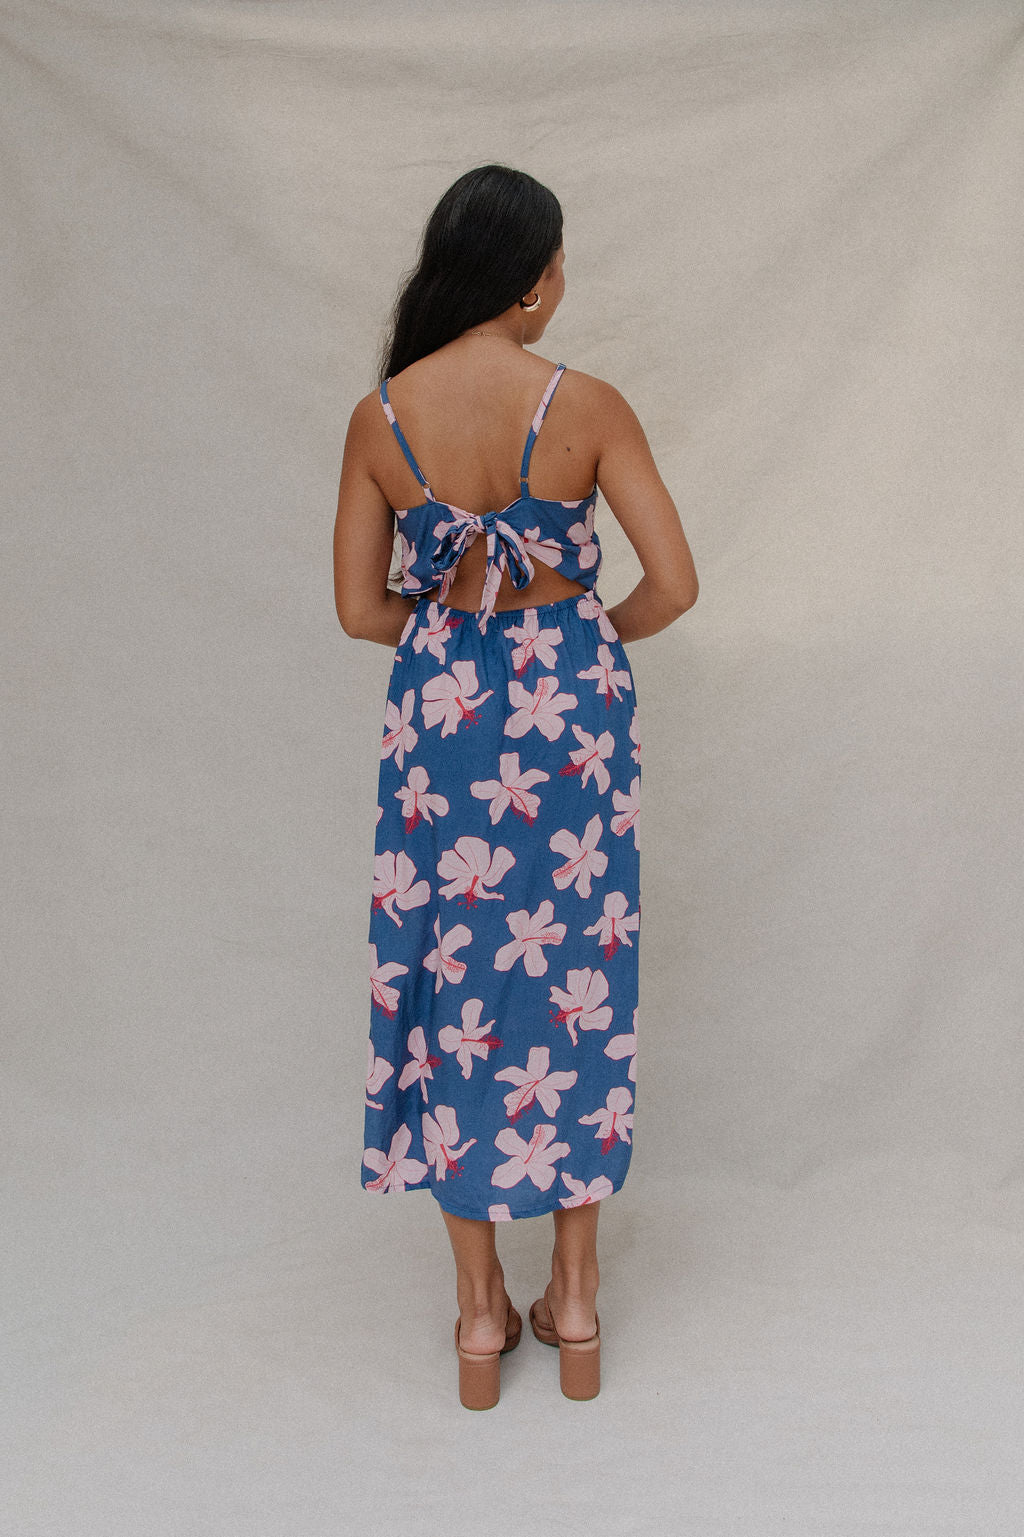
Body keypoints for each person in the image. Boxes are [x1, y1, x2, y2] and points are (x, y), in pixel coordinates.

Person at [334, 164, 697, 1408]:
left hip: (442, 722)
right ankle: (578, 1296)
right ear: (533, 280)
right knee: (574, 984)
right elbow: (674, 584)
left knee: (451, 978)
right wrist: (576, 646)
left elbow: (355, 610)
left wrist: (458, 649)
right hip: (574, 719)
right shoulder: (584, 401)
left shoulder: (379, 418)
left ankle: (480, 1315)